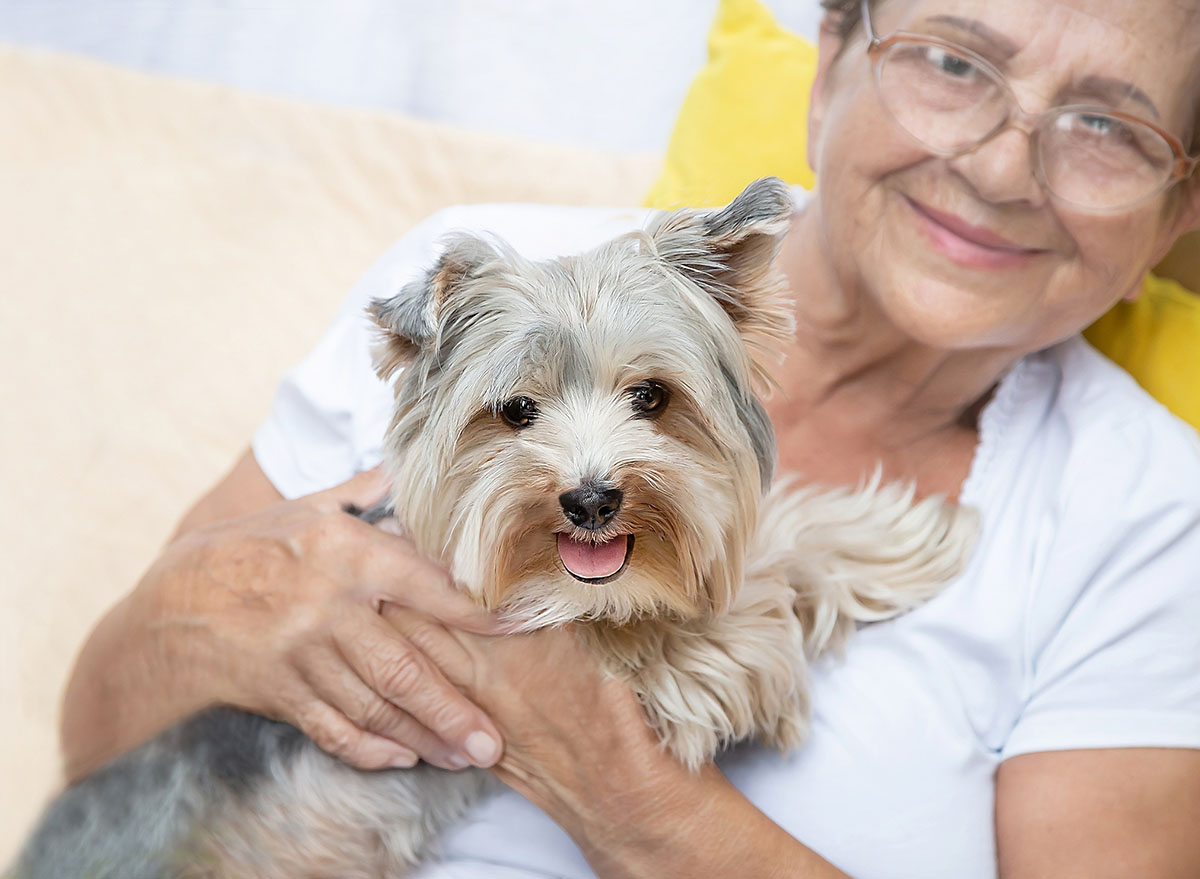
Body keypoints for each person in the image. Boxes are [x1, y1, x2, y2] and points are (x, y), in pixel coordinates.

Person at [58, 0, 1200, 875]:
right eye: (954, 63)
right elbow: (100, 735)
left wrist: (606, 763)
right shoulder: (475, 268)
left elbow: (575, 697)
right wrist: (221, 595)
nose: (1001, 165)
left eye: (1108, 124)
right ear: (830, 60)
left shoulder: (1150, 518)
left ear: (1178, 212)